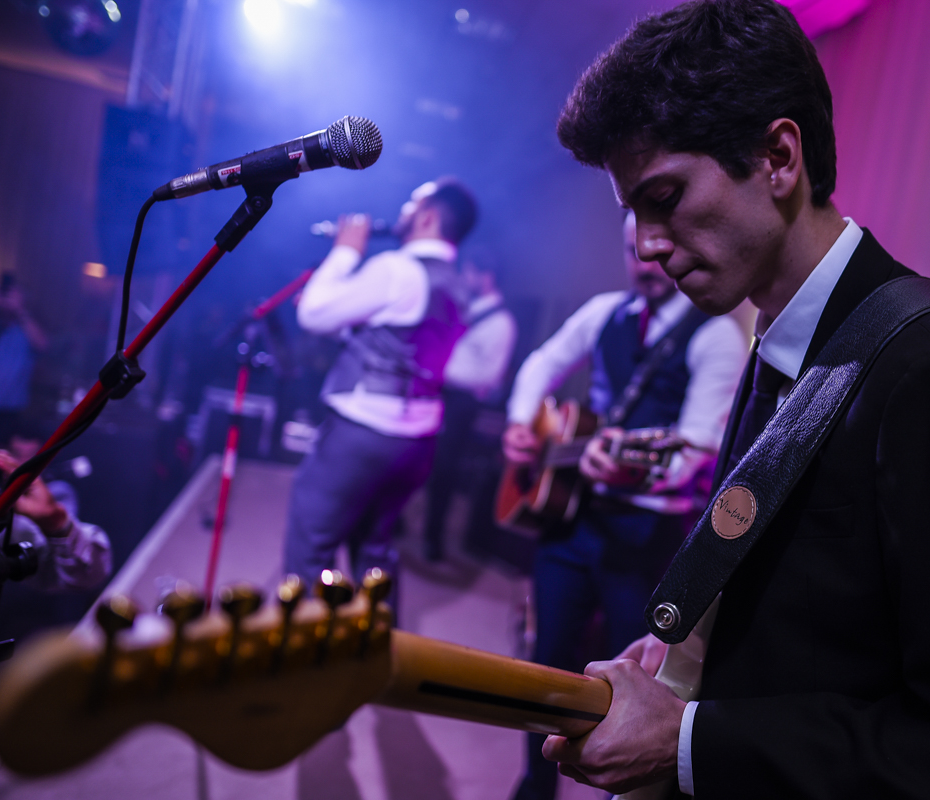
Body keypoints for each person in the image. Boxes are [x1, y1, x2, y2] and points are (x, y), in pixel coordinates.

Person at [538, 1, 930, 798]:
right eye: (633, 214)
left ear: (778, 157)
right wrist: (689, 657)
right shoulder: (776, 333)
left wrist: (693, 743)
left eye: (664, 198)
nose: (646, 246)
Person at [503, 211, 746, 800]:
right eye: (632, 248)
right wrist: (521, 423)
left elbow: (698, 448)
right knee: (545, 664)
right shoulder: (605, 313)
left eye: (657, 246)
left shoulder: (715, 333)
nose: (644, 260)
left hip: (646, 536)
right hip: (573, 518)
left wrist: (630, 467)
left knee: (633, 682)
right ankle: (534, 787)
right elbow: (541, 362)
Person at [283, 178, 477, 600]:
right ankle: (376, 652)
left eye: (412, 205)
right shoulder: (459, 286)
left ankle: (302, 651)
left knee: (311, 545)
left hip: (362, 432)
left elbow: (314, 314)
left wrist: (346, 251)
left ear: (426, 216)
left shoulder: (397, 268)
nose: (403, 212)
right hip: (419, 439)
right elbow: (401, 342)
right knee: (375, 552)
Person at [422, 252, 518, 562]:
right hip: (436, 392)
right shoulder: (468, 308)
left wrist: (439, 370)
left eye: (470, 273)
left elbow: (488, 375)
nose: (465, 279)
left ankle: (432, 538)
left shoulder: (502, 323)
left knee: (445, 470)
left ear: (486, 276)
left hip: (460, 403)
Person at [0, 440, 111, 592]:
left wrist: (56, 523)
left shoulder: (14, 517)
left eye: (32, 458)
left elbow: (87, 574)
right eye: (16, 455)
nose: (22, 463)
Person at [0, 275, 48, 447]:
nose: (6, 299)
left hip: (2, 416)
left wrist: (19, 309)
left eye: (12, 294)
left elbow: (42, 344)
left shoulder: (25, 332)